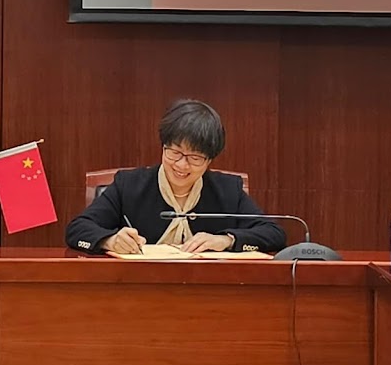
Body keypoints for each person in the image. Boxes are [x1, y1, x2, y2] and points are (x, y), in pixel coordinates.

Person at [65, 99, 285, 255]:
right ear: (163, 147)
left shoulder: (228, 190)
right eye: (174, 152)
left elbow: (274, 234)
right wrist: (109, 240)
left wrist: (226, 240)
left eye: (194, 158)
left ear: (209, 160)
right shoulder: (129, 185)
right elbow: (77, 229)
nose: (181, 165)